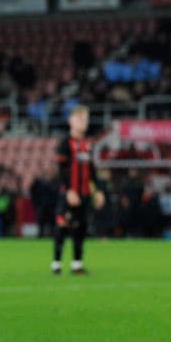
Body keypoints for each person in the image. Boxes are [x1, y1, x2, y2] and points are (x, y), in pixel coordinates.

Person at [52, 105, 104, 274]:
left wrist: (98, 191)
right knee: (62, 225)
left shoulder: (87, 145)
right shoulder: (65, 144)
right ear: (71, 121)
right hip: (68, 193)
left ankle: (76, 263)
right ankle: (56, 263)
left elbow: (92, 172)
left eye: (86, 119)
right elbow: (61, 170)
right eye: (80, 119)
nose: (84, 122)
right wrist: (68, 190)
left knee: (81, 227)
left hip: (84, 193)